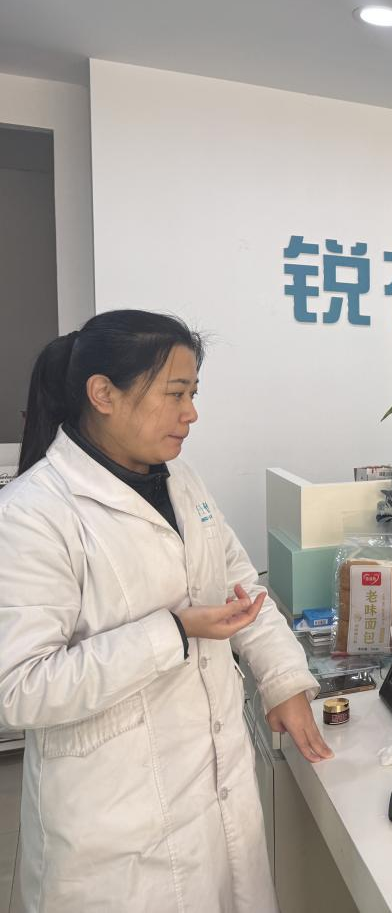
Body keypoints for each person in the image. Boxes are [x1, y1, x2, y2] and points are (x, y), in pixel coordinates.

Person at [0, 311, 333, 913]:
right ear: (103, 394)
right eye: (175, 393)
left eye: (193, 393)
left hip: (213, 793)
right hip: (115, 837)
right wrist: (173, 632)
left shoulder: (182, 482)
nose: (192, 413)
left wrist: (283, 679)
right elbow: (20, 689)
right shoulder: (33, 513)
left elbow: (241, 587)